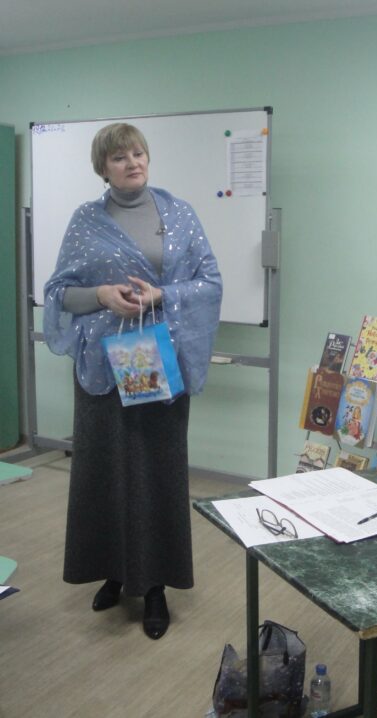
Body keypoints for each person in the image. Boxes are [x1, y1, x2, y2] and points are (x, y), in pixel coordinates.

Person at [43, 123, 222, 640]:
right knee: (104, 471)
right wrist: (101, 295)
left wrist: (162, 295)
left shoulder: (179, 214)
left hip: (157, 361)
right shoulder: (86, 220)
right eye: (119, 157)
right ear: (103, 168)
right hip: (102, 368)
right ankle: (113, 571)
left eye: (138, 153)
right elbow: (59, 292)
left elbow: (210, 283)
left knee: (156, 472)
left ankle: (156, 586)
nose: (132, 163)